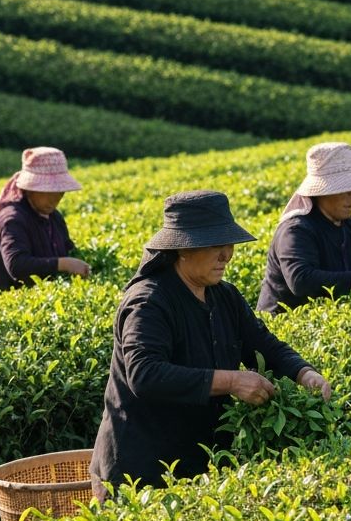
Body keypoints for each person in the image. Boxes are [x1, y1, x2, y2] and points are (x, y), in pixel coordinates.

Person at [89, 189, 331, 501]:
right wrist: (231, 380)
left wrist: (303, 373)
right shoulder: (149, 301)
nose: (227, 254)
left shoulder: (224, 295)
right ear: (182, 249)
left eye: (228, 244)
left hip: (198, 461)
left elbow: (263, 344)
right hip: (140, 470)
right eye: (215, 245)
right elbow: (144, 374)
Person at [257, 142, 351, 313]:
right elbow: (300, 280)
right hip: (284, 326)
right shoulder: (296, 230)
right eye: (346, 190)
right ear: (322, 192)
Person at [0, 146, 91, 295]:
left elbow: (67, 248)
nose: (55, 199)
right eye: (49, 193)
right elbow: (17, 265)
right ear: (30, 189)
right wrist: (63, 264)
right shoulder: (12, 219)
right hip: (0, 302)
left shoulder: (54, 217)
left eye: (59, 193)